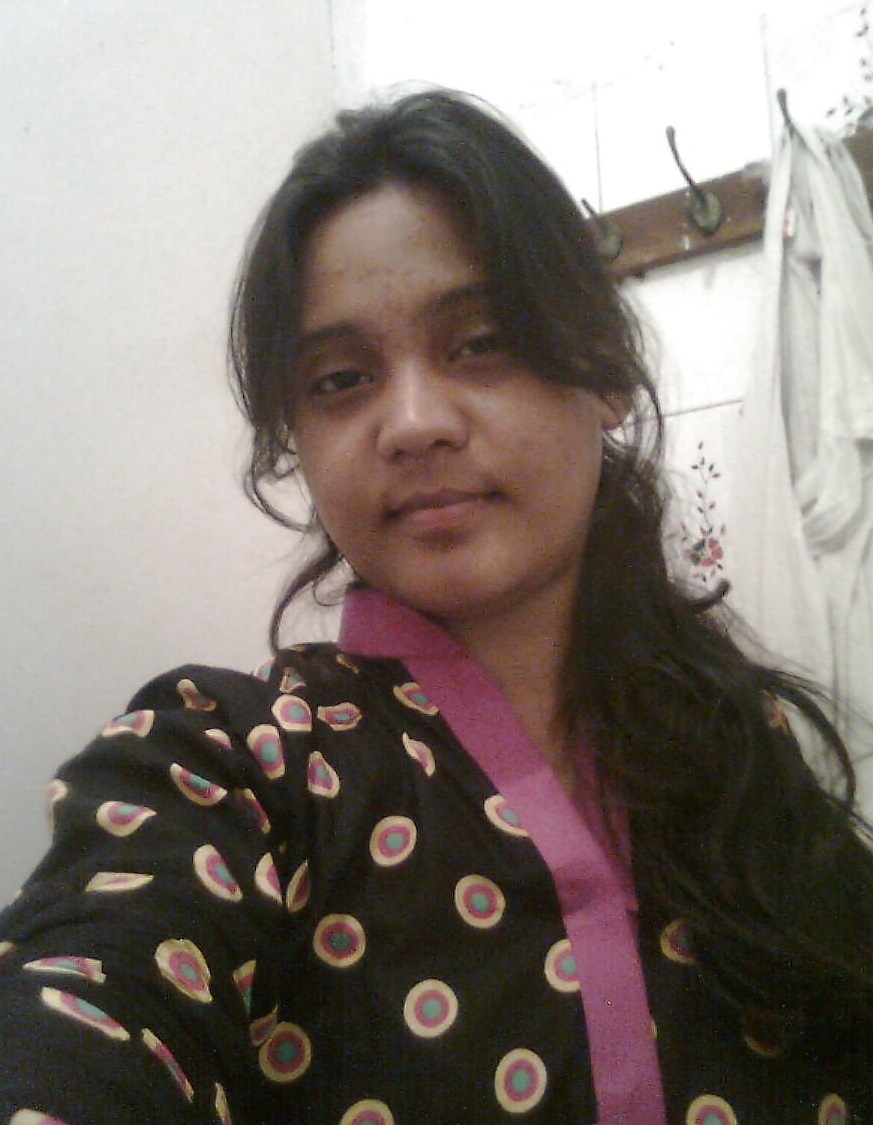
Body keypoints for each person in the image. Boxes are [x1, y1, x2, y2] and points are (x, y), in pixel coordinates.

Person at [1, 89, 872, 1125]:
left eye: (481, 341)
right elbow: (87, 1005)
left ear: (605, 374)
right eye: (341, 379)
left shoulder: (738, 741)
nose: (411, 423)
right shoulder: (232, 770)